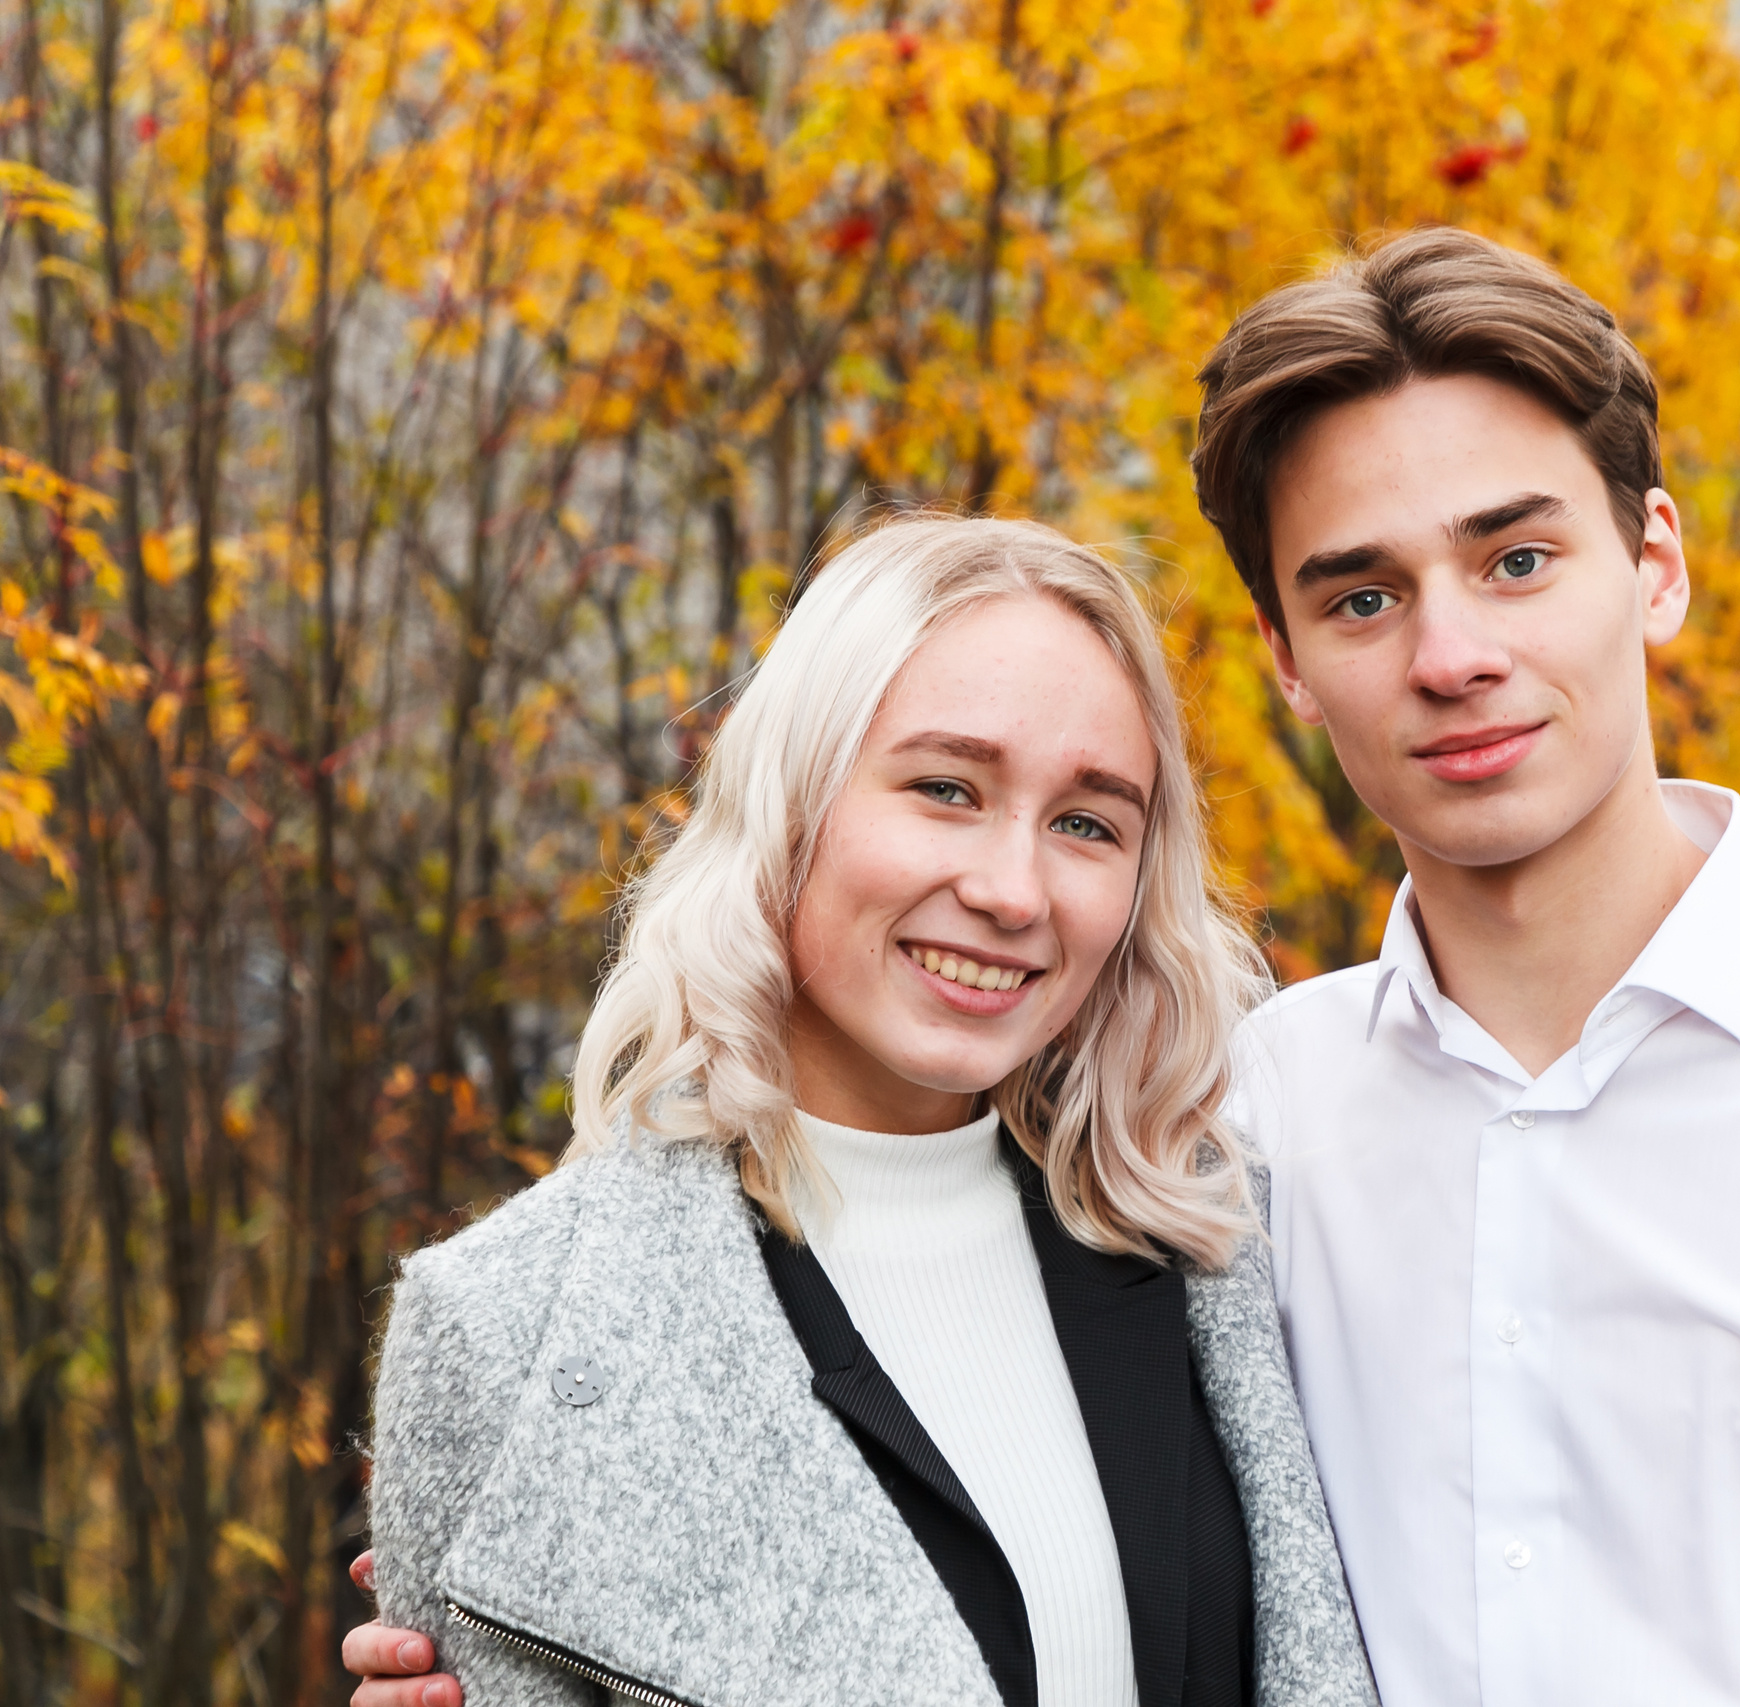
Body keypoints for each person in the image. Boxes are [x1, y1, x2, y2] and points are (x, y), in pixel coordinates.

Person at [353, 228, 1740, 1704]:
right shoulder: (1228, 1133)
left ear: (1654, 560)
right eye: (1359, 593)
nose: (1446, 648)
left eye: (1515, 556)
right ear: (1287, 665)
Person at [351, 514, 1376, 1707]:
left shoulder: (1212, 1236)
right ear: (794, 803)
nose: (1010, 890)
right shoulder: (504, 1330)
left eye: (1087, 824)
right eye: (946, 789)